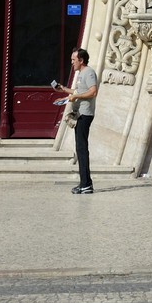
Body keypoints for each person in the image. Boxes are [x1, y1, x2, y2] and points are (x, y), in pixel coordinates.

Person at [56, 47, 99, 195]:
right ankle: (85, 183)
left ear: (81, 60)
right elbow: (77, 92)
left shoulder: (89, 72)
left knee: (82, 149)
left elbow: (93, 92)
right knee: (80, 149)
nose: (72, 62)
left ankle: (86, 184)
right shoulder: (81, 74)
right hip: (79, 113)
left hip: (84, 115)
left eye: (74, 60)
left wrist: (76, 97)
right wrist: (64, 91)